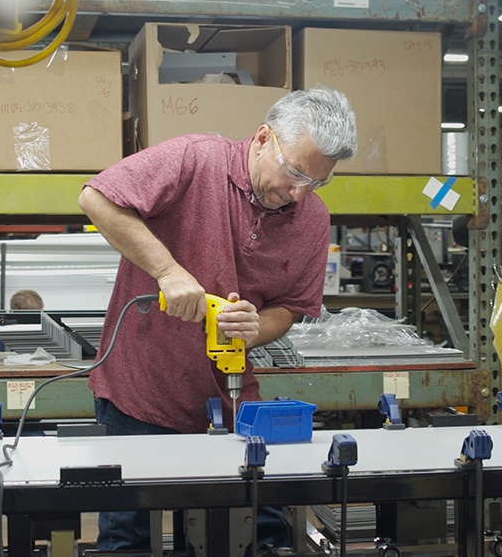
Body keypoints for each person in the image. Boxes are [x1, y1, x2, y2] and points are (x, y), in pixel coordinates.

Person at [78, 85, 357, 553]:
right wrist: (168, 271)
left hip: (230, 400)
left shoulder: (312, 219)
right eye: (293, 173)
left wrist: (257, 328)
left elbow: (290, 307)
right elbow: (96, 199)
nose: (299, 192)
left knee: (248, 532)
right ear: (263, 138)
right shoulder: (193, 159)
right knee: (128, 537)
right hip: (141, 390)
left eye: (317, 181)